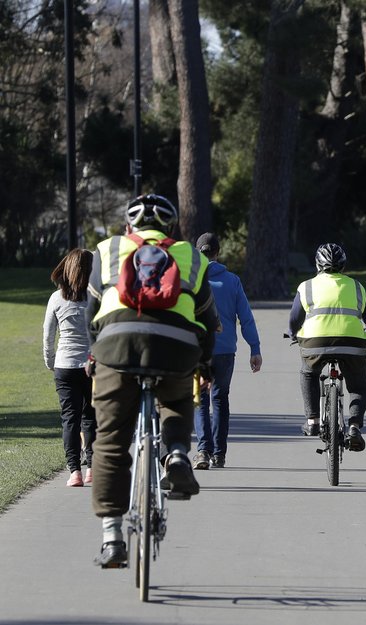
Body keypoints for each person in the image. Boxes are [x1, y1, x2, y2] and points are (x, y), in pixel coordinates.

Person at [87, 194, 219, 567]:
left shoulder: (108, 249)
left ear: (129, 227)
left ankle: (112, 538)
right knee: (176, 401)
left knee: (111, 442)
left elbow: (91, 309)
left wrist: (95, 354)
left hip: (117, 345)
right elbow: (208, 319)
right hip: (177, 346)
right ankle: (176, 454)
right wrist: (205, 362)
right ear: (172, 228)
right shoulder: (192, 256)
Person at [289, 243, 366, 452]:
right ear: (343, 265)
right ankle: (354, 425)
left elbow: (294, 318)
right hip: (353, 344)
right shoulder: (357, 286)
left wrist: (293, 334)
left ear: (318, 265)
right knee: (358, 387)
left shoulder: (306, 286)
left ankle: (312, 420)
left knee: (309, 373)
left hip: (314, 343)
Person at [192, 233, 263, 470]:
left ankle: (203, 450)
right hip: (224, 350)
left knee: (200, 400)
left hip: (197, 349)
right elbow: (246, 317)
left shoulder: (192, 281)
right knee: (220, 399)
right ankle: (219, 454)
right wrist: (255, 348)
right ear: (218, 253)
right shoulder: (232, 281)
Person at [43, 248, 97, 487]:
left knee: (69, 419)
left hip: (64, 365)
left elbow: (48, 336)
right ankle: (91, 469)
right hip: (91, 364)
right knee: (91, 417)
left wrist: (50, 362)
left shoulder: (56, 298)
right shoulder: (97, 297)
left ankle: (74, 471)